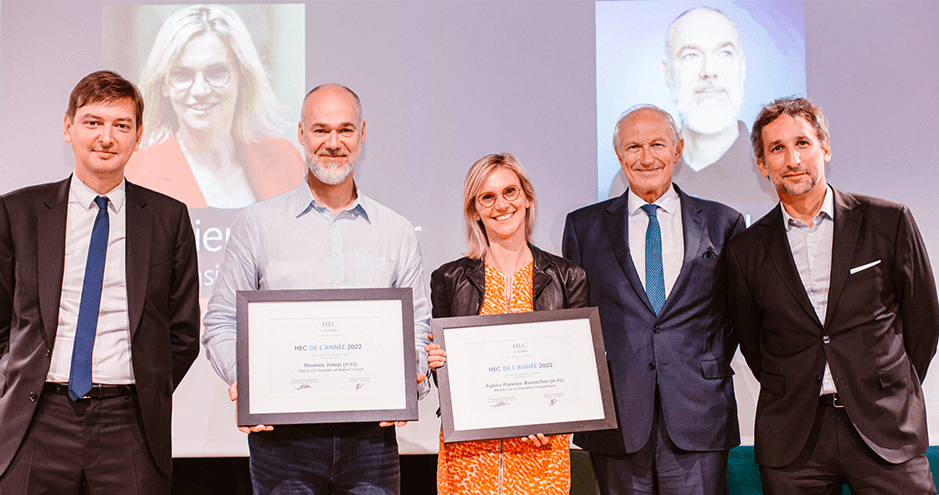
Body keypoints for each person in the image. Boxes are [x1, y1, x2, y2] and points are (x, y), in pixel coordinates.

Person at [202, 84, 431, 494]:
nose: (333, 143)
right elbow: (220, 322)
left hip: (371, 444)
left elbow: (417, 326)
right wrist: (245, 380)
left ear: (362, 134)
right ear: (301, 135)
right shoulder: (257, 224)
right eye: (321, 130)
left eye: (345, 130)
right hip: (283, 444)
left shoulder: (396, 232)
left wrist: (410, 380)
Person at [0, 70, 201, 493]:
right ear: (68, 126)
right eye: (93, 122)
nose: (106, 137)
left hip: (130, 426)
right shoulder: (18, 212)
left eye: (121, 125)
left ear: (138, 135)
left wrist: (145, 387)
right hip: (36, 421)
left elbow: (182, 334)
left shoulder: (168, 218)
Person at [726, 96, 939, 494]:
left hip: (885, 429)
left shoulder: (888, 221)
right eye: (777, 149)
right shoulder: (745, 250)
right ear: (762, 165)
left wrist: (886, 386)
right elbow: (754, 342)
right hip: (795, 440)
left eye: (802, 143)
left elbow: (923, 320)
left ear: (825, 147)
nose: (792, 160)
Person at [564, 104, 744, 494]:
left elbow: (735, 318)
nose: (646, 158)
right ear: (619, 155)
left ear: (677, 150)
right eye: (633, 147)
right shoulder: (584, 227)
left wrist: (696, 364)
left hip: (699, 413)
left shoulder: (723, 222)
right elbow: (576, 323)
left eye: (657, 144)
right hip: (618, 419)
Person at [425, 153, 589, 494]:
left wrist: (549, 417)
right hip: (470, 454)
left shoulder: (568, 277)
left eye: (510, 192)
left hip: (541, 450)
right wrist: (439, 363)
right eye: (487, 197)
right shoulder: (449, 279)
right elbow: (449, 379)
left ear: (527, 198)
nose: (501, 205)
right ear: (475, 211)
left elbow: (579, 369)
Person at [125, 4, 303, 209]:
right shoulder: (135, 172)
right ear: (164, 85)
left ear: (242, 78)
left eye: (216, 72)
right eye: (182, 75)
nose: (200, 91)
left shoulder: (286, 160)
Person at [609, 7, 775, 204]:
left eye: (724, 53)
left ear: (742, 66)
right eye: (691, 55)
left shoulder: (773, 171)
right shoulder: (630, 180)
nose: (709, 71)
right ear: (667, 72)